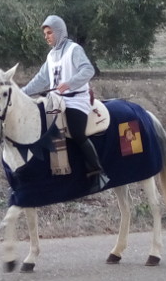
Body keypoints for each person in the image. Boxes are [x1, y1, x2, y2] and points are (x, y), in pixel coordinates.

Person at [21, 15, 109, 194]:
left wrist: (69, 83)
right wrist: (21, 93)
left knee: (77, 132)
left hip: (76, 99)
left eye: (49, 32)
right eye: (45, 34)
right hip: (57, 100)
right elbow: (41, 80)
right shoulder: (51, 55)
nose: (46, 36)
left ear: (59, 32)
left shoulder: (74, 50)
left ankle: (98, 173)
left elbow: (88, 70)